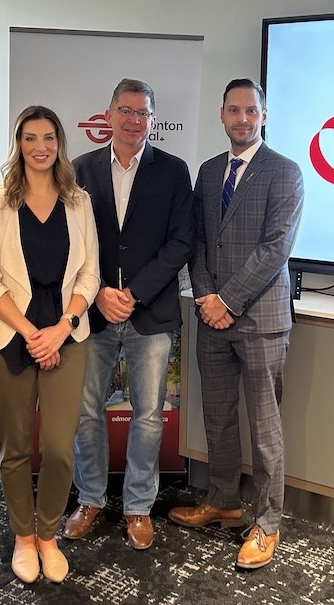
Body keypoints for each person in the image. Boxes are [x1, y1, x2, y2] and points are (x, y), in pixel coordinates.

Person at [169, 78, 304, 570]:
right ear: (222, 115)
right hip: (211, 316)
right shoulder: (208, 172)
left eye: (251, 110)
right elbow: (199, 241)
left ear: (263, 116)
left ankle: (268, 523)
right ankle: (223, 501)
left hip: (260, 318)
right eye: (233, 110)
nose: (242, 118)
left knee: (265, 425)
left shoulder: (285, 173)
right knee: (218, 416)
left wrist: (228, 299)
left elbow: (275, 249)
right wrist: (206, 296)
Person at [64, 79, 193, 550]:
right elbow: (72, 243)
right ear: (109, 114)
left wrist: (133, 293)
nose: (134, 120)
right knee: (86, 412)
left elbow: (181, 242)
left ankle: (138, 506)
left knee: (148, 416)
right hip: (93, 314)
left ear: (152, 120)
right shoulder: (80, 169)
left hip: (150, 314)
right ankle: (91, 498)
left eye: (143, 113)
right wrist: (98, 292)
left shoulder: (175, 172)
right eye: (126, 110)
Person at [0, 105, 99, 584]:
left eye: (49, 137)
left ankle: (49, 536)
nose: (40, 146)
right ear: (18, 144)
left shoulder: (78, 201)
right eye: (30, 137)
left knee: (60, 447)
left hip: (67, 336)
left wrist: (61, 328)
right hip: (11, 339)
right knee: (16, 447)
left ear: (60, 144)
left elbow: (90, 272)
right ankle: (24, 537)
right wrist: (32, 334)